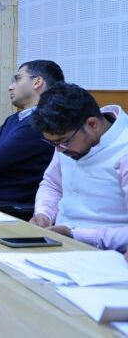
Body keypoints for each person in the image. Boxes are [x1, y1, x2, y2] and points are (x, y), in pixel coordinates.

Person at [30, 82, 128, 250]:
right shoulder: (67, 142)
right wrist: (44, 213)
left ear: (92, 124)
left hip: (108, 251)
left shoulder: (123, 149)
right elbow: (52, 184)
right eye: (53, 143)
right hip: (60, 242)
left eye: (64, 141)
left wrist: (75, 233)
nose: (59, 150)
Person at [0, 60, 64, 205]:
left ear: (37, 82)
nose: (10, 87)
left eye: (17, 79)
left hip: (0, 208)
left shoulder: (41, 124)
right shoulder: (14, 119)